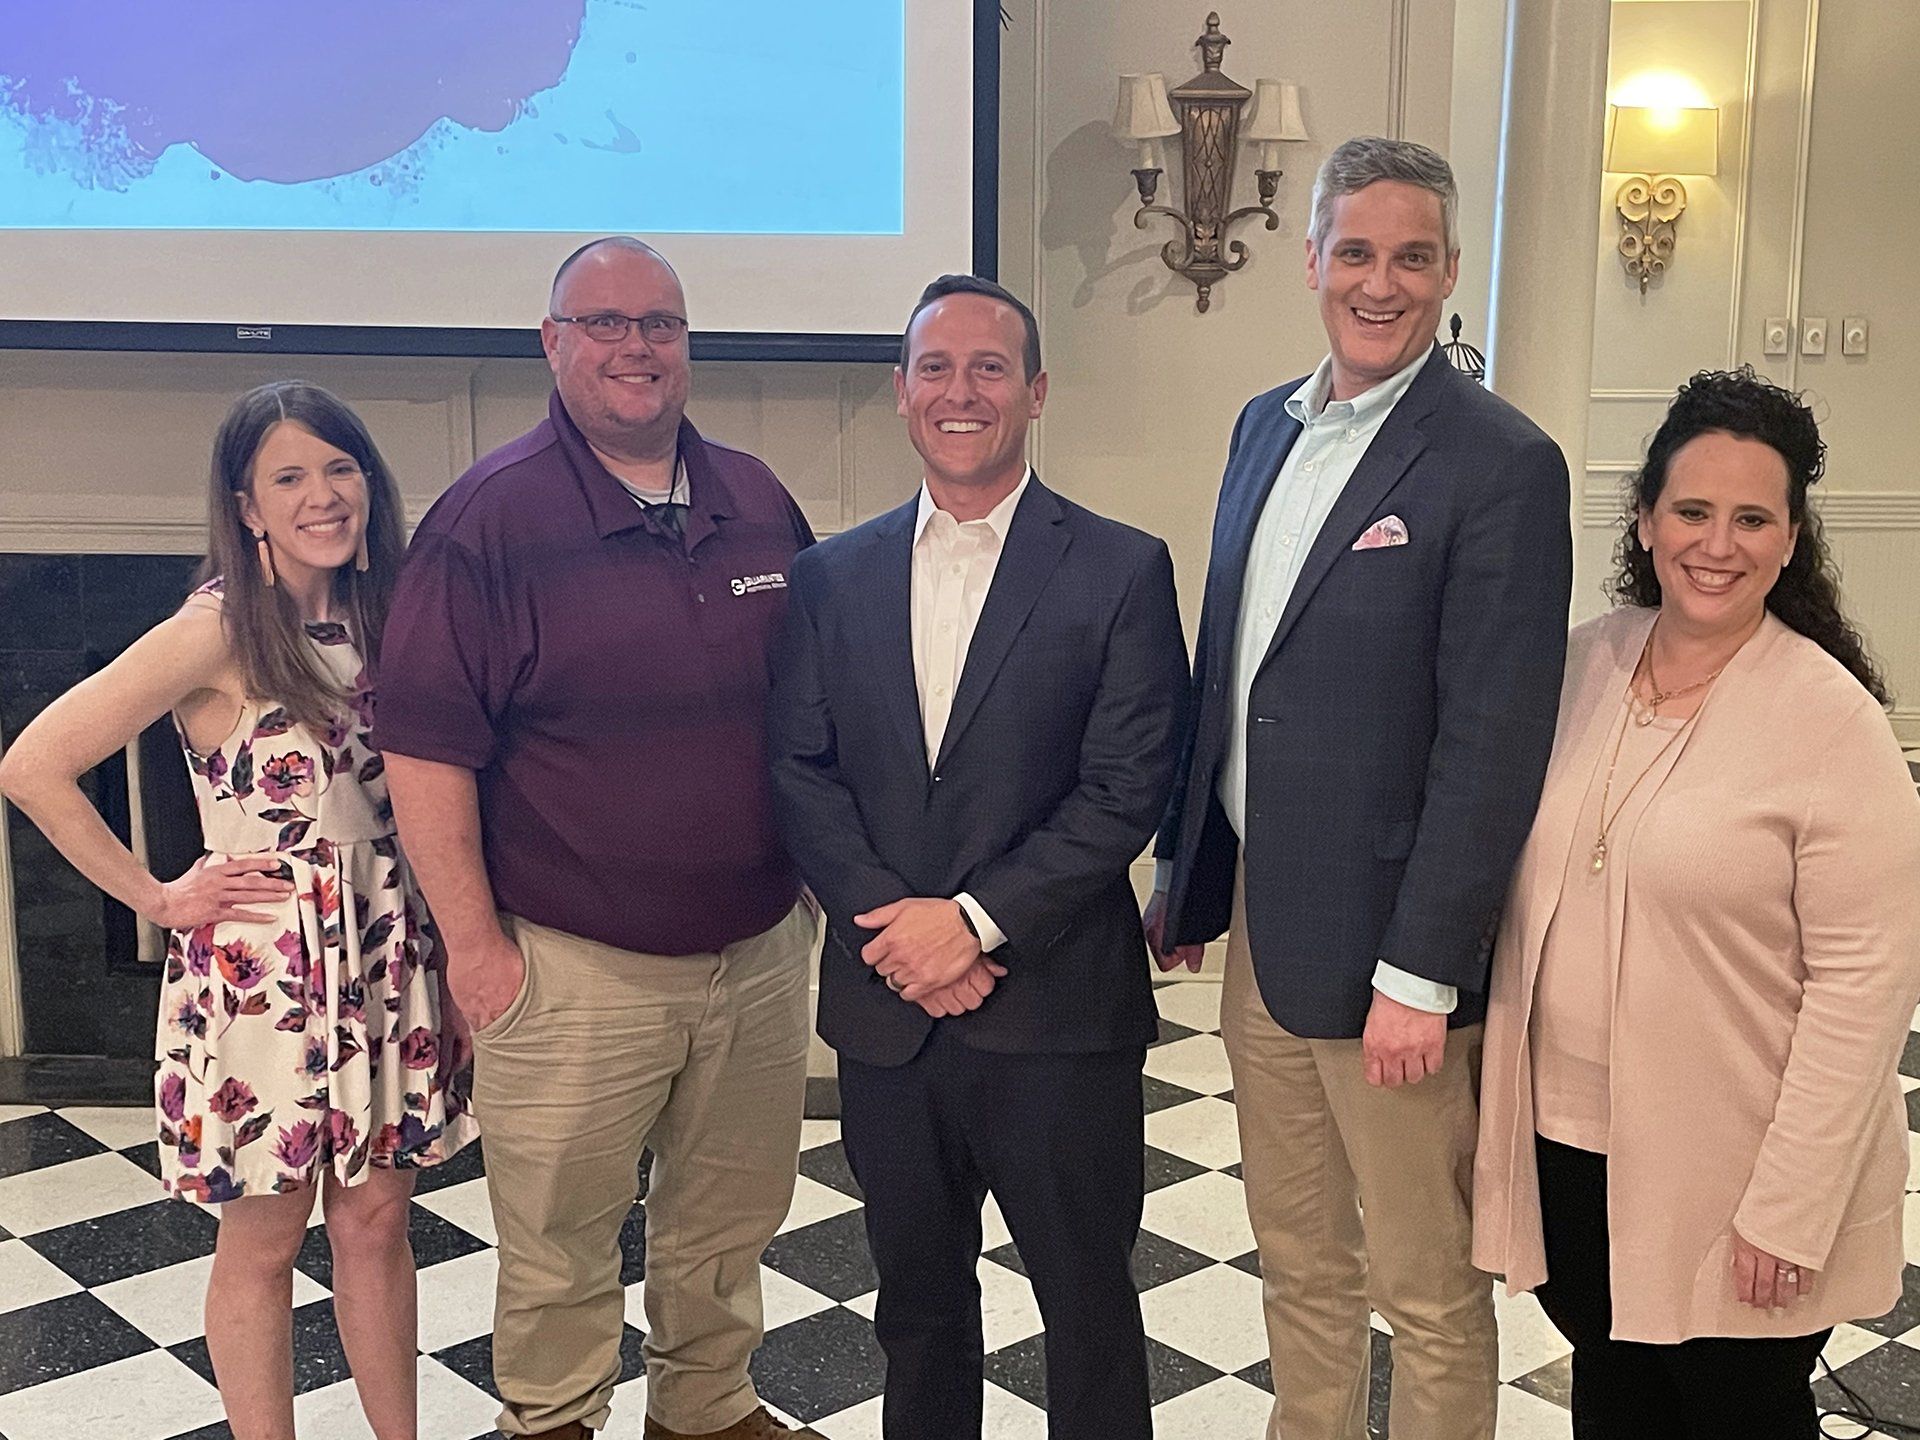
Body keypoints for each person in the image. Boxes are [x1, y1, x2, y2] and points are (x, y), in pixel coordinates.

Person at [1145, 136, 1573, 1439]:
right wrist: (1186, 874)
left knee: (1426, 1290)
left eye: (1412, 258)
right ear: (1312, 259)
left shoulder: (1500, 462)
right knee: (1298, 1259)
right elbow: (1233, 668)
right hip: (1264, 933)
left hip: (1394, 960)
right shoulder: (1260, 427)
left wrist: (1423, 974)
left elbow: (1493, 741)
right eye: (1357, 253)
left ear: (1449, 272)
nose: (1380, 284)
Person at [374, 237, 819, 1440]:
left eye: (659, 324)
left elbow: (819, 706)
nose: (637, 347)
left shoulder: (756, 499)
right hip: (572, 966)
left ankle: (707, 1409)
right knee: (560, 1238)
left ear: (687, 343)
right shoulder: (487, 520)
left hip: (757, 954)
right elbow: (424, 750)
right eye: (606, 324)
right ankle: (554, 1416)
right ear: (553, 342)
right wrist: (476, 950)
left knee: (729, 1220)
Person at [0, 381, 474, 1440]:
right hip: (271, 966)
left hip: (387, 944)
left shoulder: (392, 612)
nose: (322, 495)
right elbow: (32, 765)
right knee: (265, 1238)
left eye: (340, 468)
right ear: (248, 506)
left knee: (377, 1220)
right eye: (289, 477)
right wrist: (158, 896)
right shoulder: (215, 628)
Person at [768, 274, 1189, 1440]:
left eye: (990, 368)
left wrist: (970, 924)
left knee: (1088, 1312)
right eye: (937, 369)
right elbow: (801, 769)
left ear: (1036, 391)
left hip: (1056, 1012)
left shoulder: (1119, 568)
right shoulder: (830, 576)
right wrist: (899, 934)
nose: (963, 392)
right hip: (890, 1016)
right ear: (903, 391)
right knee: (917, 1312)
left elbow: (1128, 786)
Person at [1472, 368, 1920, 1438]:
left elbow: (1865, 989)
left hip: (1737, 1167)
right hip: (1568, 1147)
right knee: (1614, 1396)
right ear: (1645, 519)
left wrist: (1790, 1208)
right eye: (1692, 511)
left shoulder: (1832, 722)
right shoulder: (1580, 666)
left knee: (1732, 1412)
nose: (1718, 544)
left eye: (1753, 519)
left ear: (1793, 538)